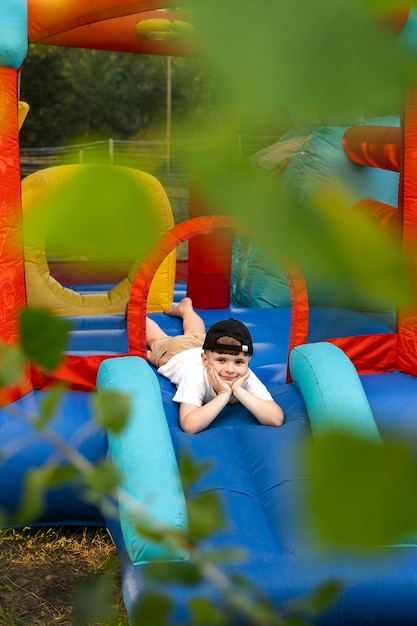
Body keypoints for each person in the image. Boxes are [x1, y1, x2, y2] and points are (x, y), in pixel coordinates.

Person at [146, 297, 284, 434]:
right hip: (176, 352)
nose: (230, 370)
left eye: (239, 362)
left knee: (196, 333)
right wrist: (224, 394)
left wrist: (238, 390)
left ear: (248, 361)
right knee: (156, 340)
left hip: (203, 344)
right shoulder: (196, 376)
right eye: (221, 361)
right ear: (205, 360)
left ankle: (186, 309)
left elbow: (276, 419)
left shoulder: (245, 376)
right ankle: (137, 316)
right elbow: (189, 425)